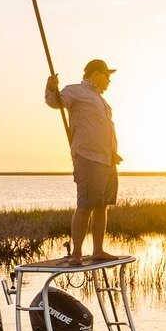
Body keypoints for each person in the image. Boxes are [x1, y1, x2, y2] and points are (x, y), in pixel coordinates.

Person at [45, 58, 122, 264]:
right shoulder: (76, 91)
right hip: (88, 158)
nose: (109, 81)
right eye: (107, 76)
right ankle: (77, 253)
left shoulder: (100, 99)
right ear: (96, 73)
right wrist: (50, 88)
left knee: (102, 205)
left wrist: (114, 152)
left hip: (107, 161)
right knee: (85, 205)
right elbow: (56, 102)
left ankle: (98, 250)